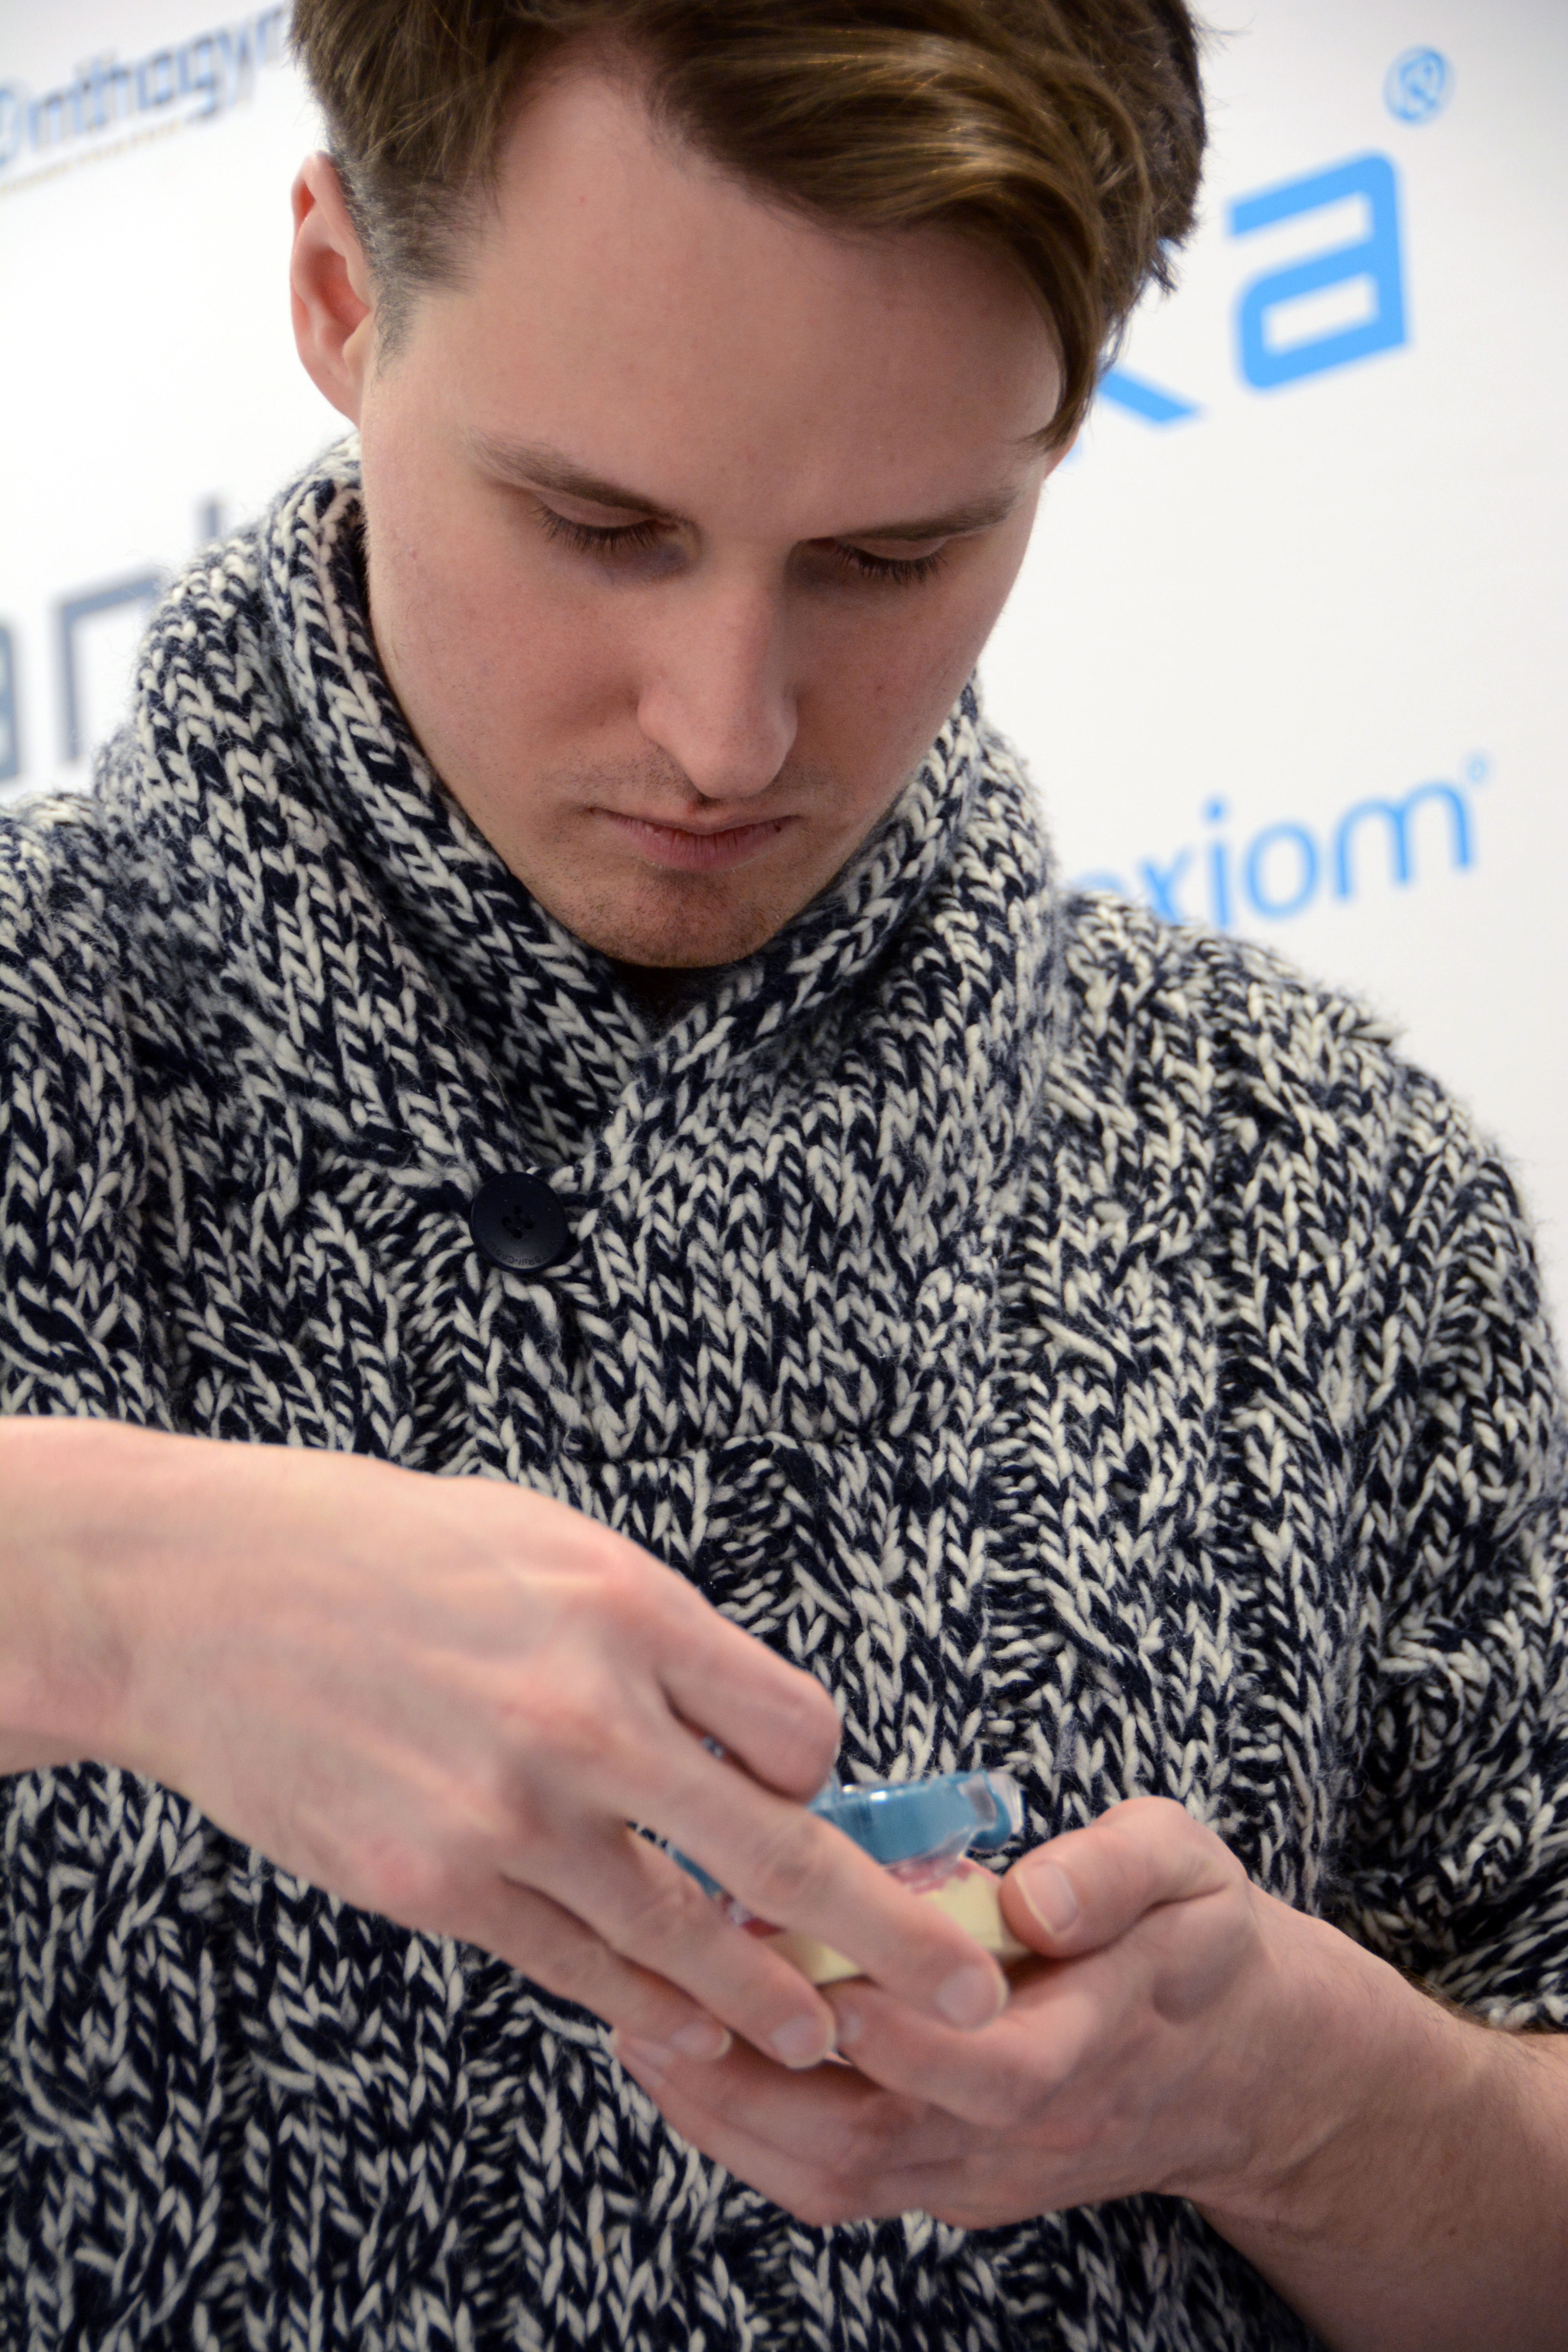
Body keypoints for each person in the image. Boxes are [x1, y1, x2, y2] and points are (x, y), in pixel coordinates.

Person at [0, 0, 1564, 2343]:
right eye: (598, 526)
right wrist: (102, 1597)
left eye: (893, 555)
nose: (727, 731)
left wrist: (1304, 2105)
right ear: (338, 295)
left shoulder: (1325, 1186)